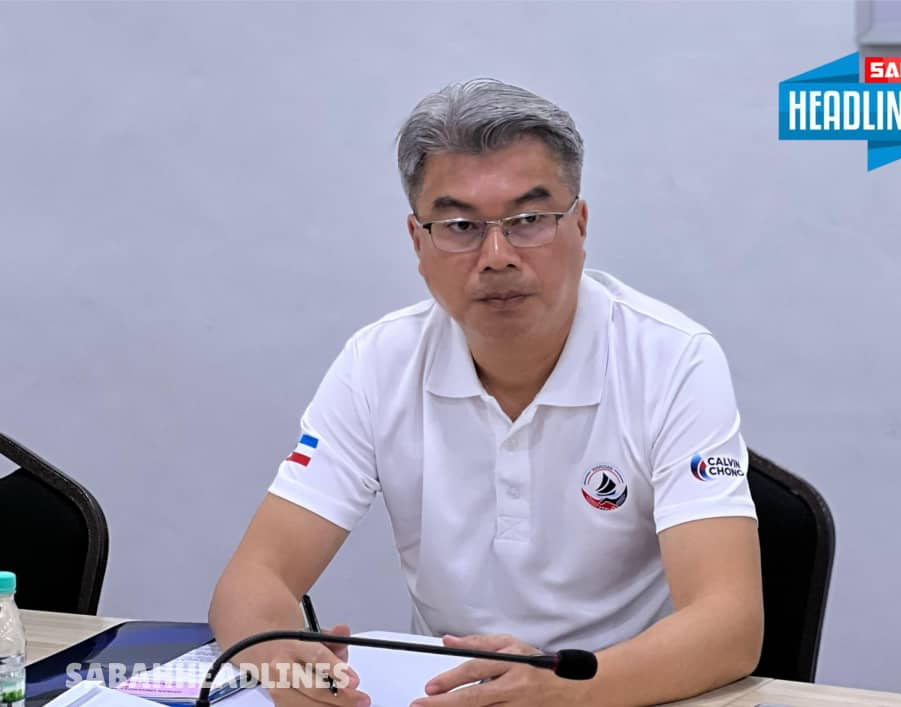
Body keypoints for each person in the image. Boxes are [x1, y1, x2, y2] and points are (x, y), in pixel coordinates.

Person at [208, 78, 763, 707]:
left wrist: (559, 692)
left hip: (625, 694)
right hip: (444, 697)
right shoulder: (378, 363)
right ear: (418, 243)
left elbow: (730, 625)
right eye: (460, 226)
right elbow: (253, 577)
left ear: (580, 226)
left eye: (528, 221)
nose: (497, 256)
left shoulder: (672, 359)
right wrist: (284, 667)